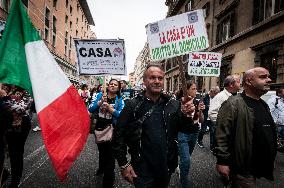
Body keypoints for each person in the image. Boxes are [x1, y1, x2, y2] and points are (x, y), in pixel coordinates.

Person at [112, 63, 196, 188]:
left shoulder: (173, 104)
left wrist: (187, 115)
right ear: (144, 81)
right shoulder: (132, 105)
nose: (157, 81)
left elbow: (186, 129)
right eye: (152, 78)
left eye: (160, 78)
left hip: (166, 167)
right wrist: (124, 164)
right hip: (142, 169)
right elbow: (118, 135)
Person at [215, 67, 277, 187]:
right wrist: (222, 161)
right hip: (243, 168)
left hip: (259, 163)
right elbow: (222, 134)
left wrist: (271, 157)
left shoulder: (263, 104)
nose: (269, 80)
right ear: (248, 81)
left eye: (268, 76)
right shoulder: (233, 104)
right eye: (263, 77)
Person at [88, 79, 125, 188]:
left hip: (112, 130)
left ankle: (108, 181)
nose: (113, 86)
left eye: (115, 85)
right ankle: (101, 168)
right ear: (107, 86)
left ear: (118, 88)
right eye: (111, 84)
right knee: (102, 151)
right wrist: (99, 103)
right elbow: (90, 108)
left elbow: (121, 116)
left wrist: (110, 109)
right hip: (99, 129)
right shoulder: (100, 95)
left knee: (110, 155)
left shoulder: (119, 100)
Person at [176, 80, 205, 188]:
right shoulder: (179, 102)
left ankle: (181, 166)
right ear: (186, 90)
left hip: (194, 133)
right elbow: (176, 120)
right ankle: (184, 183)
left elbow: (200, 120)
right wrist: (183, 112)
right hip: (183, 134)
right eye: (193, 89)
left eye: (196, 89)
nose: (195, 91)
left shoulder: (197, 102)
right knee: (187, 160)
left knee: (186, 157)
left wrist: (201, 111)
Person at [3, 85, 33, 188]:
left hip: (22, 125)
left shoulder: (25, 89)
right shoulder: (4, 86)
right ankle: (7, 175)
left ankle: (16, 178)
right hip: (6, 123)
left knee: (16, 152)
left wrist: (5, 100)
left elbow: (23, 108)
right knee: (10, 151)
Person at [197, 86, 220, 150]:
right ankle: (199, 140)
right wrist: (207, 106)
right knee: (203, 130)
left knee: (212, 131)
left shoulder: (217, 98)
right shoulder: (205, 97)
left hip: (212, 118)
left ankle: (212, 146)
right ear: (212, 92)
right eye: (215, 93)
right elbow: (201, 106)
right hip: (205, 117)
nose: (216, 95)